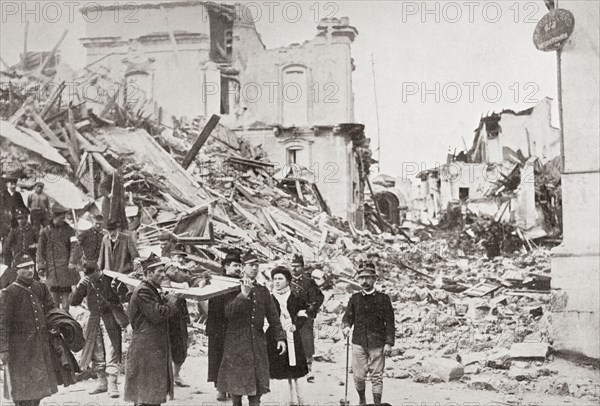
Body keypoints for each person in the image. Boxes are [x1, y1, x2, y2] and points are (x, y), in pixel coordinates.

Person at [217, 251, 287, 406]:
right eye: (251, 265)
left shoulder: (262, 290)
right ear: (243, 267)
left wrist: (280, 338)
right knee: (237, 389)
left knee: (257, 388)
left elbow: (273, 316)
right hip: (236, 343)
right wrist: (243, 295)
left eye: (257, 265)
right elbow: (228, 313)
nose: (254, 268)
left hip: (257, 342)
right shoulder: (232, 287)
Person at [0, 253, 59, 406]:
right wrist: (4, 349)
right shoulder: (9, 292)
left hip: (39, 345)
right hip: (19, 349)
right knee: (22, 391)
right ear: (17, 271)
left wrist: (56, 326)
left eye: (31, 266)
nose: (30, 270)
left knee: (38, 389)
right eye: (25, 268)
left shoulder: (40, 287)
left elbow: (51, 310)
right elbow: (3, 323)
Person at [124, 253, 180, 406]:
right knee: (147, 397)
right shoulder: (144, 291)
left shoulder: (152, 289)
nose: (163, 274)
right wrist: (172, 303)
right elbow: (157, 315)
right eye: (159, 272)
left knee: (150, 396)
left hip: (151, 349)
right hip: (146, 351)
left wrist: (166, 301)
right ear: (149, 274)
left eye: (163, 271)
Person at [71, 262, 129, 398]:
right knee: (96, 351)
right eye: (87, 276)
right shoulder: (85, 282)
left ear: (98, 271)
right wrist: (79, 285)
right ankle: (102, 383)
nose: (90, 278)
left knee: (112, 350)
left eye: (91, 275)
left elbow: (123, 296)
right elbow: (73, 301)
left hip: (110, 319)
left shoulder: (110, 279)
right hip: (94, 319)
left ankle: (113, 384)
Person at [342, 262, 395, 405]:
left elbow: (390, 323)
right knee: (358, 376)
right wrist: (346, 327)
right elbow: (347, 317)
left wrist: (389, 343)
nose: (364, 281)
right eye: (361, 278)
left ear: (374, 279)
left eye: (368, 278)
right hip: (358, 342)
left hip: (378, 343)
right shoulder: (355, 299)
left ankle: (377, 403)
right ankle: (362, 400)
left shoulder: (383, 299)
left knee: (376, 376)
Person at [267, 266, 309, 406]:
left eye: (280, 279)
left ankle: (300, 400)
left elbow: (303, 315)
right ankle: (286, 401)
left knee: (296, 368)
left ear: (288, 281)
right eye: (275, 279)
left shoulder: (296, 297)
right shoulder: (269, 298)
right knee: (280, 371)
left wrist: (295, 326)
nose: (277, 282)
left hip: (293, 337)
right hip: (275, 339)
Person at [206, 251, 242, 401]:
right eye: (235, 266)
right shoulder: (218, 281)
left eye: (239, 265)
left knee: (232, 358)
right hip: (217, 326)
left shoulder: (240, 283)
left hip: (233, 327)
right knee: (217, 357)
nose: (238, 268)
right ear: (226, 267)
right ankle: (220, 388)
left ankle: (230, 387)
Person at [37, 204, 79, 312]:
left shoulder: (69, 230)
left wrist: (72, 261)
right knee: (54, 302)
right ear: (55, 217)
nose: (63, 220)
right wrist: (41, 266)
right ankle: (56, 323)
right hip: (52, 270)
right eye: (61, 217)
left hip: (65, 269)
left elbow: (75, 246)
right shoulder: (45, 232)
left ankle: (66, 322)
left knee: (65, 303)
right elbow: (40, 251)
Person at [290, 254, 324, 382]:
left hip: (304, 317)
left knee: (307, 341)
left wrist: (312, 310)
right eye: (292, 266)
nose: (294, 269)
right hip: (291, 317)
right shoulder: (286, 281)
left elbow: (320, 297)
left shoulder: (309, 282)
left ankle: (309, 368)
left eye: (297, 266)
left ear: (302, 267)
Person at [161, 277, 191, 388]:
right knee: (164, 349)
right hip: (165, 316)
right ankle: (164, 377)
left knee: (181, 348)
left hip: (179, 317)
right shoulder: (161, 269)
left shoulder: (180, 270)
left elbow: (190, 279)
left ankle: (176, 375)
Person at [1, 209, 37, 288]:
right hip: (18, 260)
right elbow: (7, 245)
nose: (20, 221)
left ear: (26, 218)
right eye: (18, 219)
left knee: (32, 281)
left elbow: (40, 243)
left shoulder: (33, 230)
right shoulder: (14, 231)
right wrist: (11, 254)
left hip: (30, 259)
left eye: (22, 218)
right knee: (16, 281)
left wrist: (34, 246)